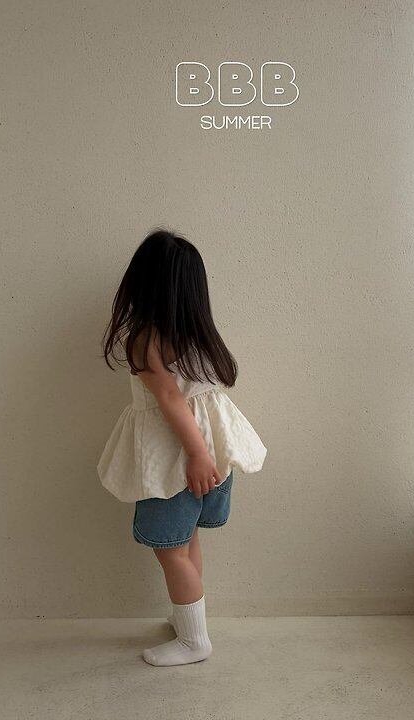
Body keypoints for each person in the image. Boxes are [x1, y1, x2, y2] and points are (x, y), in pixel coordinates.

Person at [97, 229, 267, 666]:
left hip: (179, 459)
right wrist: (205, 454)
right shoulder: (199, 338)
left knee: (170, 550)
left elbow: (171, 400)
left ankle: (194, 641)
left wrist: (195, 455)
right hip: (213, 453)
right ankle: (188, 619)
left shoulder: (146, 339)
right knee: (187, 540)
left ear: (141, 284)